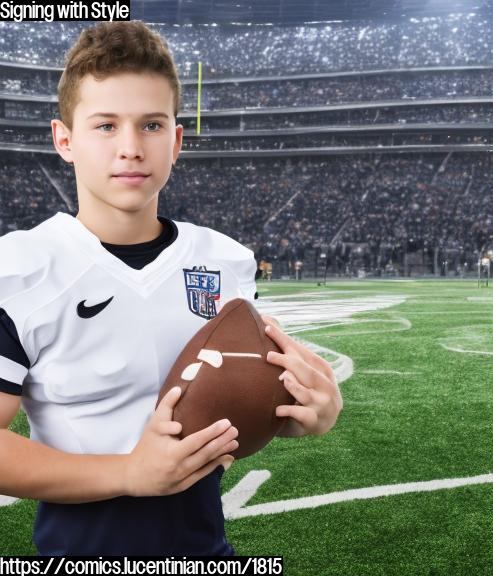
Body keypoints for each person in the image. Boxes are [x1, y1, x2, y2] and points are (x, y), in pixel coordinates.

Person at [0, 21, 342, 555]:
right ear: (64, 140)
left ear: (177, 141)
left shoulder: (225, 262)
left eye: (152, 125)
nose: (132, 148)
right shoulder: (22, 269)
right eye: (106, 126)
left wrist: (307, 412)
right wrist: (127, 472)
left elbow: (248, 391)